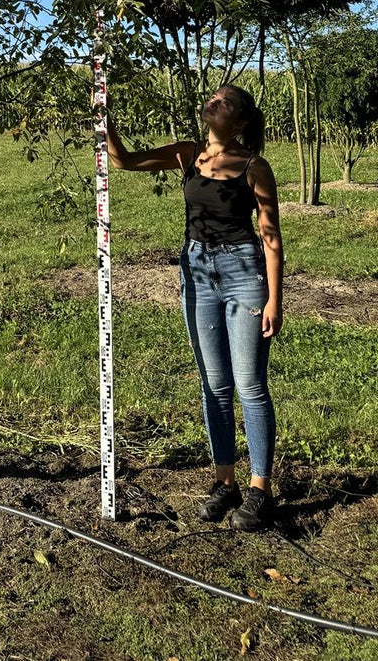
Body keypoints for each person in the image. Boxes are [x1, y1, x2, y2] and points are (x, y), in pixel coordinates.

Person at [106, 84, 283, 531]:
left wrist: (275, 300)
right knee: (215, 385)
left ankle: (260, 489)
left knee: (249, 385)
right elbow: (125, 161)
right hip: (197, 273)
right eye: (213, 97)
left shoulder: (253, 167)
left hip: (245, 274)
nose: (213, 101)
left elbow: (271, 238)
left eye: (225, 102)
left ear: (239, 121)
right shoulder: (189, 154)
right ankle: (226, 481)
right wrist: (102, 122)